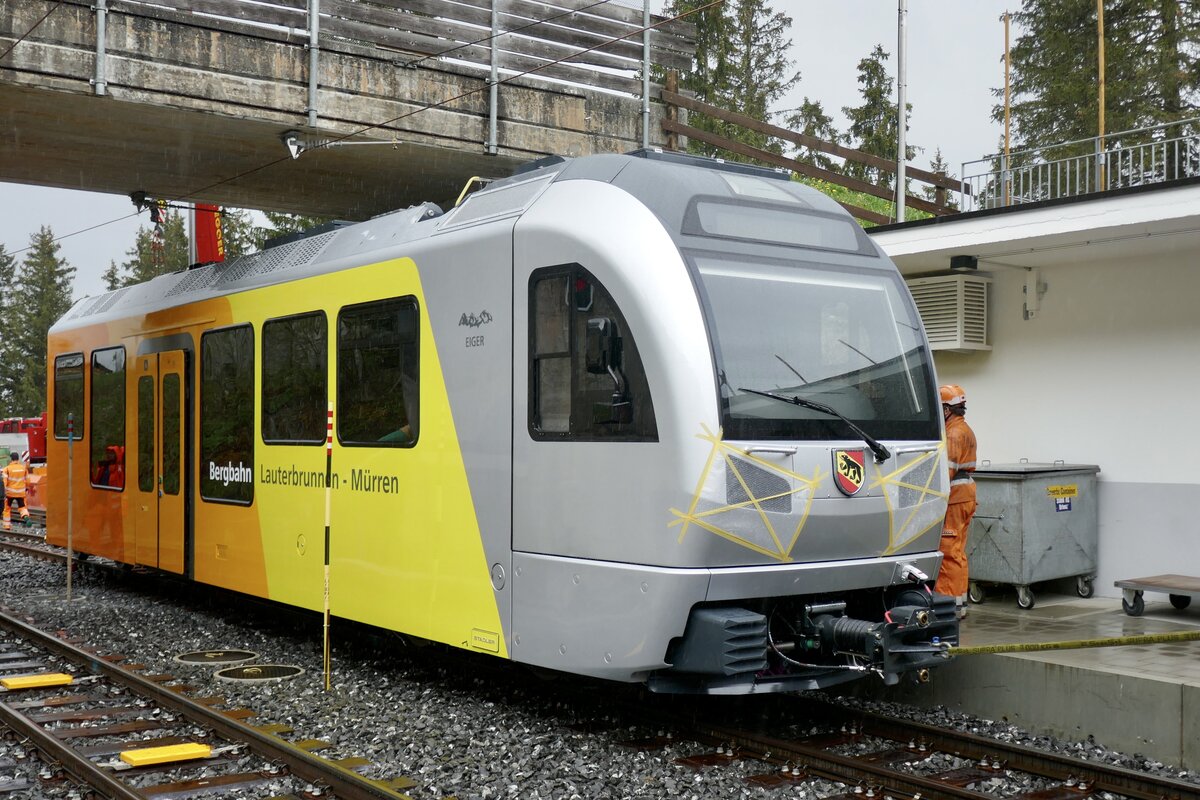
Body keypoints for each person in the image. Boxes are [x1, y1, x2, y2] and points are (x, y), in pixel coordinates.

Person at [935, 383, 977, 619]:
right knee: (958, 551)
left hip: (955, 498)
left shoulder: (953, 434)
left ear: (947, 410)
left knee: (948, 551)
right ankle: (959, 602)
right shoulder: (965, 429)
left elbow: (946, 472)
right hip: (965, 496)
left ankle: (949, 605)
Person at [2, 451, 31, 530]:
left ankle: (7, 526)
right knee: (22, 507)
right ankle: (26, 517)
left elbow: (4, 482)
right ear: (18, 459)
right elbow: (28, 480)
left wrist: (4, 493)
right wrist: (27, 488)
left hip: (10, 493)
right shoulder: (23, 468)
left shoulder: (7, 469)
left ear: (11, 459)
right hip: (21, 493)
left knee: (7, 509)